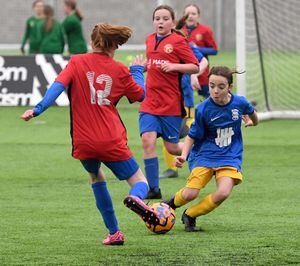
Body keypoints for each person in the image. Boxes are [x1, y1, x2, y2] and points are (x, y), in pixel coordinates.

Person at [20, 22, 160, 246]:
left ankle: (114, 232)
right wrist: (136, 71)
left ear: (92, 42)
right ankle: (135, 197)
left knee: (96, 176)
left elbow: (57, 87)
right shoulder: (120, 70)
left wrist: (37, 109)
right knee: (139, 180)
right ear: (113, 46)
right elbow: (140, 94)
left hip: (84, 141)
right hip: (110, 138)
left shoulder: (76, 61)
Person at [164, 66, 258, 232]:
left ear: (230, 87)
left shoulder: (239, 102)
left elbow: (252, 113)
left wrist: (253, 121)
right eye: (211, 85)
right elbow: (191, 136)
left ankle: (190, 215)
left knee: (223, 192)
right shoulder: (203, 109)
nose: (215, 91)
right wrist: (184, 156)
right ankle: (169, 205)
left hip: (230, 156)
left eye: (221, 87)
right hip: (204, 156)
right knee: (190, 194)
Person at [140, 5, 199, 199]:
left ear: (172, 23)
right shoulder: (149, 40)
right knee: (147, 140)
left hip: (170, 105)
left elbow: (194, 67)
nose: (161, 22)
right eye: (157, 18)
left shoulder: (179, 41)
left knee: (172, 148)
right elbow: (153, 64)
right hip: (149, 103)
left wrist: (174, 66)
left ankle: (199, 147)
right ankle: (153, 189)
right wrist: (143, 67)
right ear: (153, 21)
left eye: (165, 18)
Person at [160, 4, 218, 178]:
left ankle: (203, 160)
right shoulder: (161, 44)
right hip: (167, 101)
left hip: (184, 100)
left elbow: (204, 61)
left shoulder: (183, 43)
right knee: (168, 136)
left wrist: (194, 74)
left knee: (192, 133)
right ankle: (172, 169)